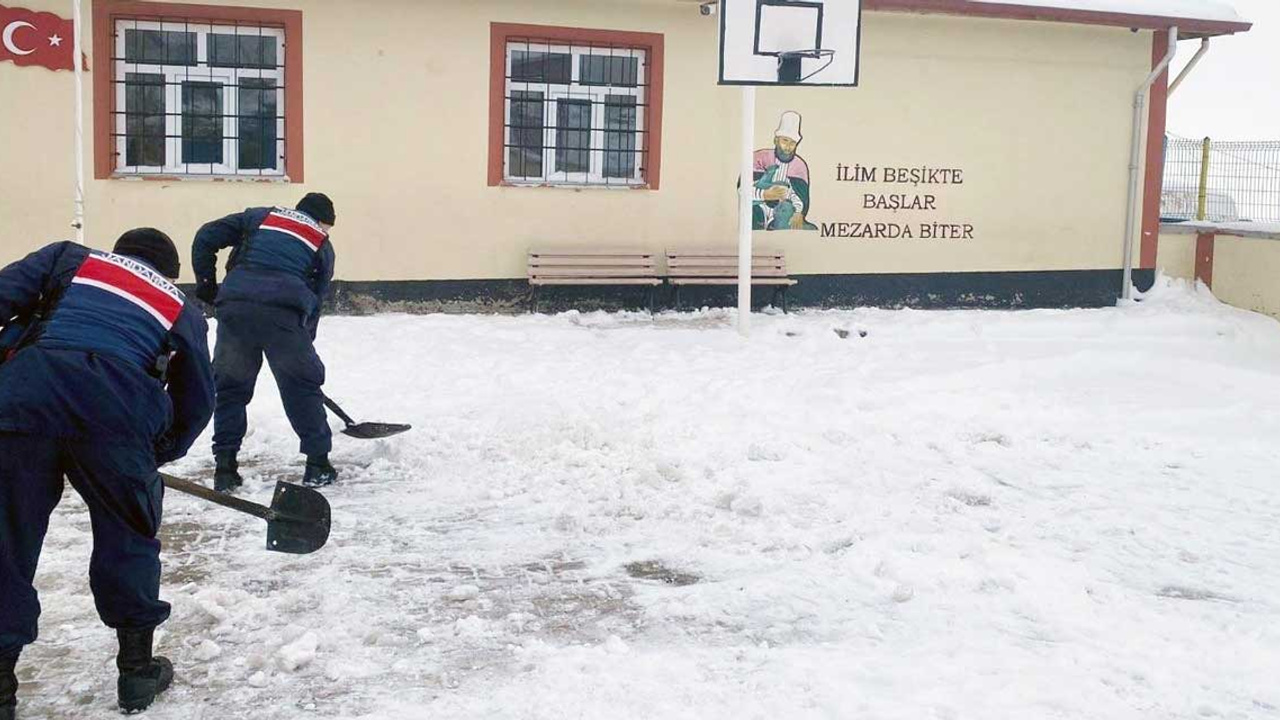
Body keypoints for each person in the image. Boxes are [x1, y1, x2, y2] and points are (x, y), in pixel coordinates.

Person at [0, 229, 215, 717]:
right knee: (129, 537)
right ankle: (137, 673)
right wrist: (155, 453)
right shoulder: (178, 305)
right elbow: (198, 398)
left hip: (22, 401)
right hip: (119, 413)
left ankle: (1, 689)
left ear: (117, 253)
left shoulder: (66, 258)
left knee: (5, 539)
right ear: (170, 269)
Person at [192, 194, 338, 492]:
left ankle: (225, 469)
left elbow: (206, 236)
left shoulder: (258, 217)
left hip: (236, 307)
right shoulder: (321, 243)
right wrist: (303, 346)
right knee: (301, 387)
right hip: (283, 314)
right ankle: (317, 466)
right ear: (322, 222)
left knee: (231, 388)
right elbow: (316, 298)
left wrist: (207, 286)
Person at [752, 110, 818, 231]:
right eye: (784, 141)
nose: (788, 147)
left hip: (783, 215)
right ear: (776, 140)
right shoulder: (759, 158)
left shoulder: (799, 166)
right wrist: (765, 194)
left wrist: (799, 213)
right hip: (757, 211)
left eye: (792, 143)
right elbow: (743, 190)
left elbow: (798, 197)